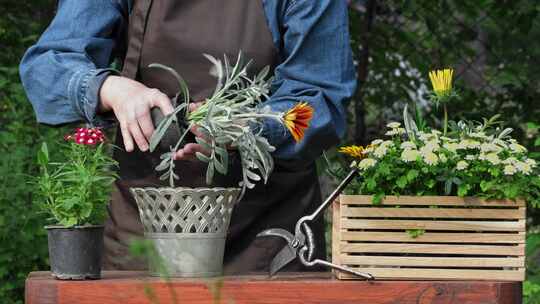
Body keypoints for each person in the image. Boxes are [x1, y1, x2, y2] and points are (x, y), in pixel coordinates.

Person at [20, 0, 357, 273]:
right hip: (144, 230)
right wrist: (109, 89)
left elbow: (321, 101)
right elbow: (47, 67)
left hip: (268, 236)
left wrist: (244, 129)